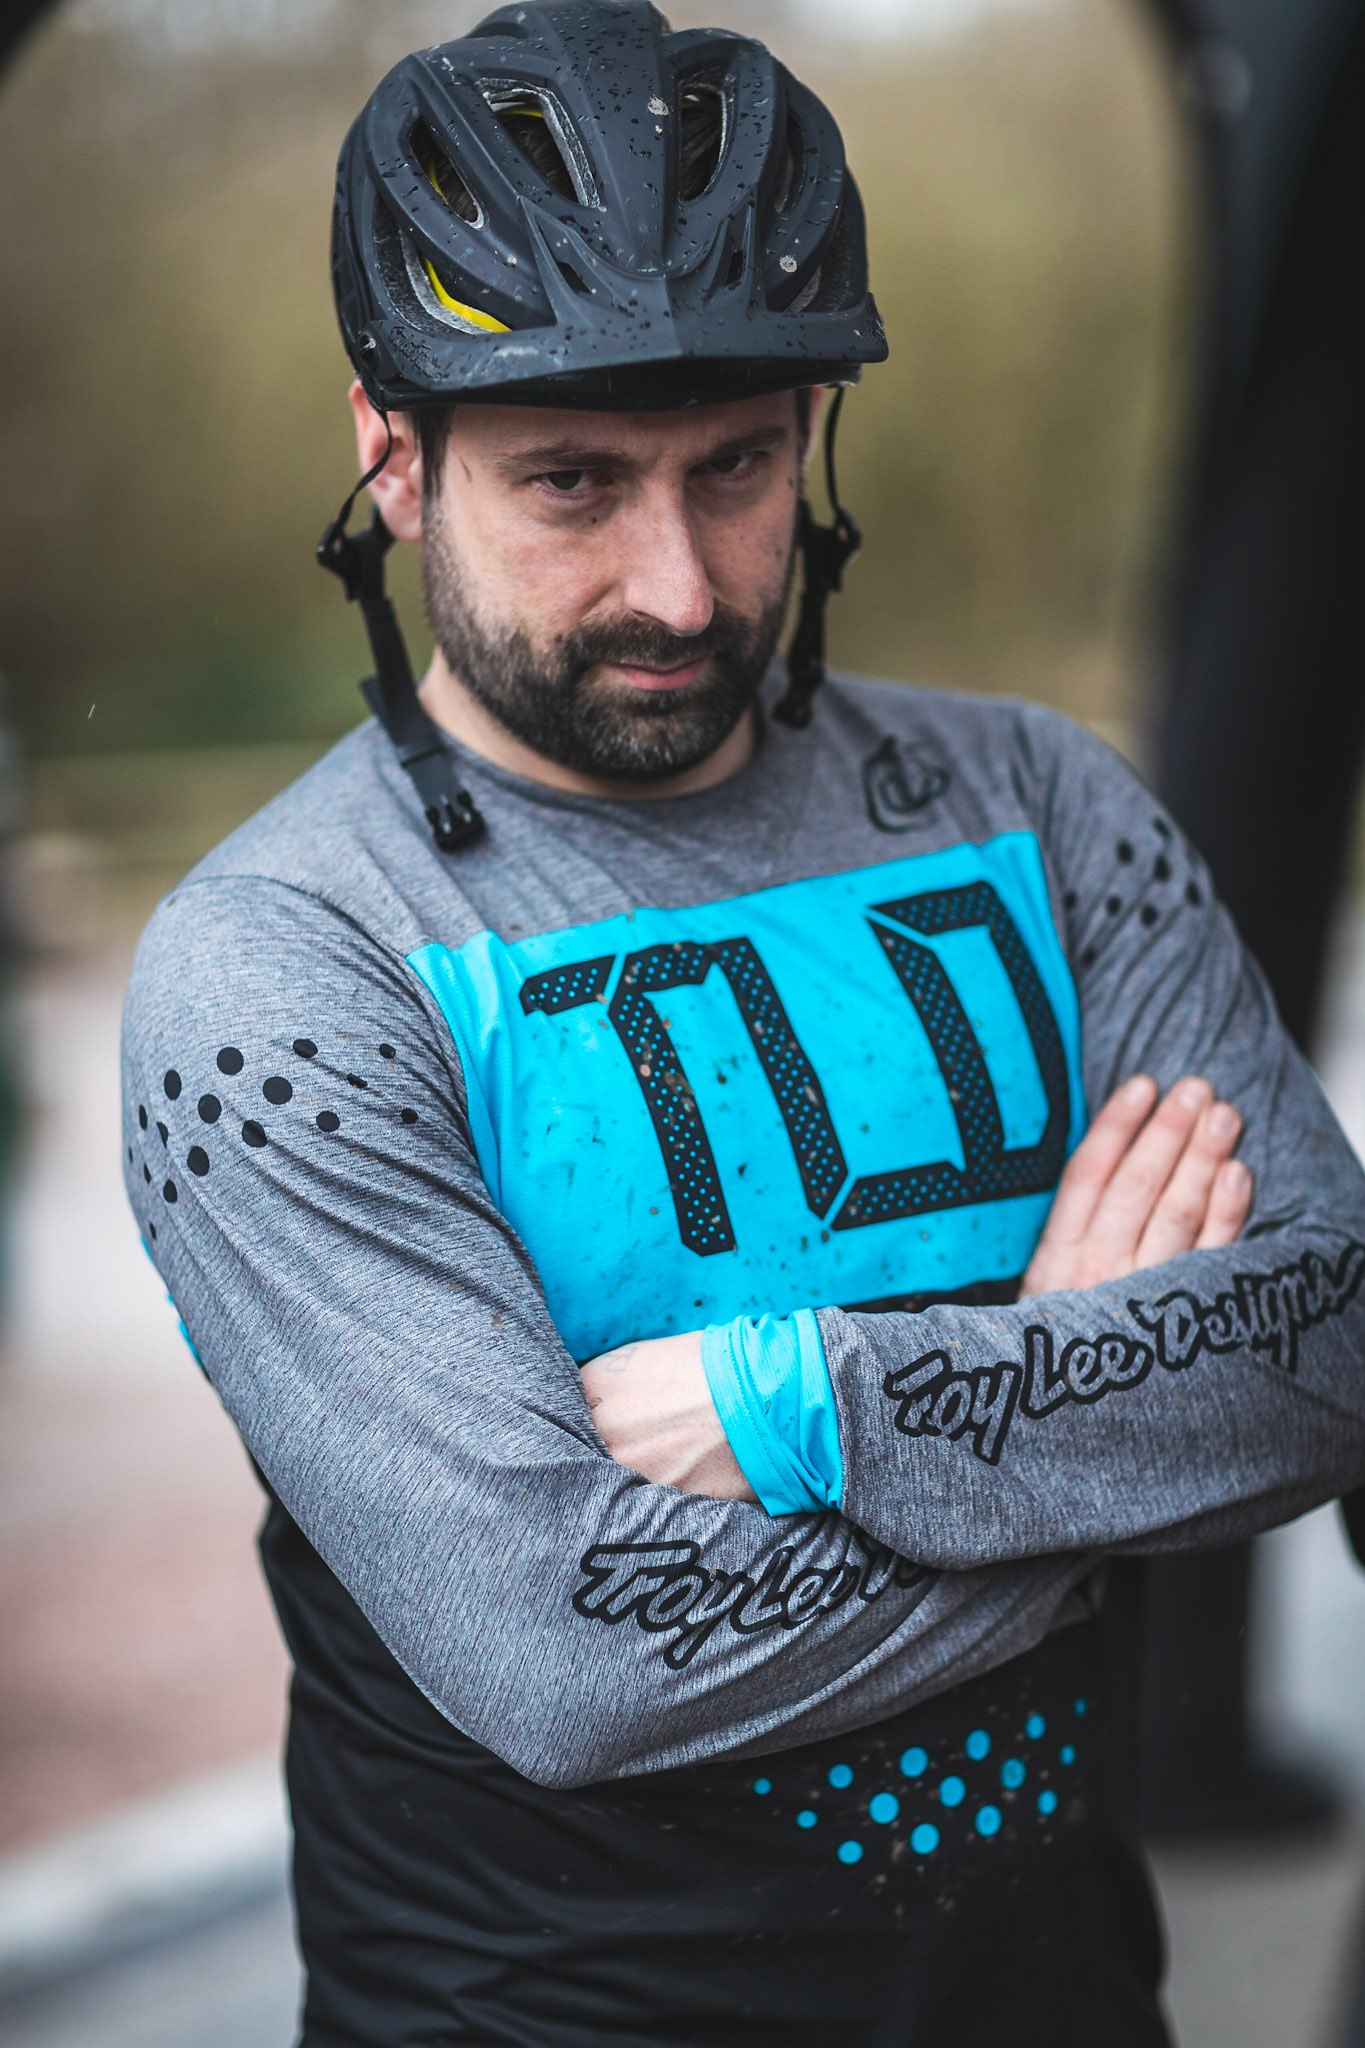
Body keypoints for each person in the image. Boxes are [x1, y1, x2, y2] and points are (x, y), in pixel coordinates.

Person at [119, 6, 1365, 2042]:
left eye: (738, 468)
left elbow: (1328, 1357)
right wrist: (1101, 1421)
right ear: (393, 454)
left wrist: (807, 1408)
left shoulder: (1038, 810)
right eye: (571, 484)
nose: (680, 587)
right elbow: (566, 1652)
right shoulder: (279, 970)